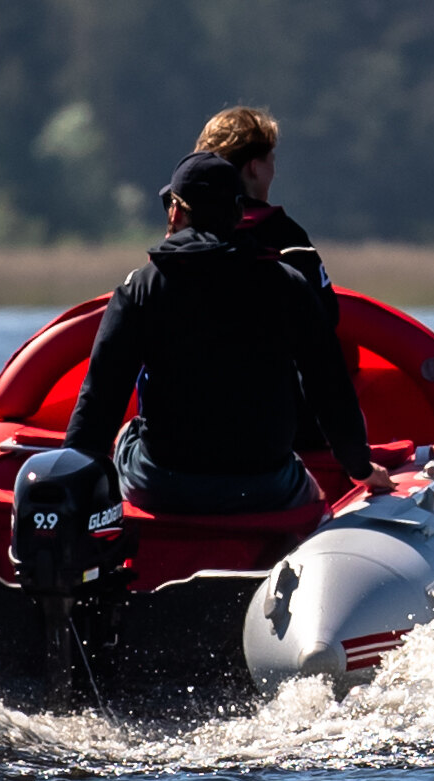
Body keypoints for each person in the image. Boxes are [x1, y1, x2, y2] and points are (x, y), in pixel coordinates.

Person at [62, 151, 375, 513]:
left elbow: (100, 399)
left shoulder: (141, 288)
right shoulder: (287, 284)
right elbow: (328, 384)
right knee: (313, 495)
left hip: (163, 483)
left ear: (176, 211)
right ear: (238, 213)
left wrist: (72, 486)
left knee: (125, 436)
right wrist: (360, 468)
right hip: (265, 485)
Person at [194, 104, 326, 287]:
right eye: (271, 160)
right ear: (254, 168)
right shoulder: (285, 236)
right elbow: (325, 310)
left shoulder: (186, 233)